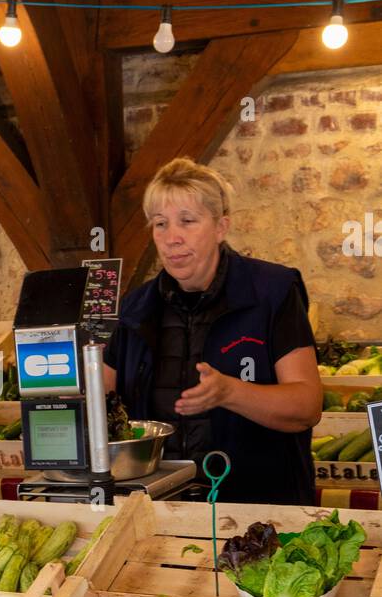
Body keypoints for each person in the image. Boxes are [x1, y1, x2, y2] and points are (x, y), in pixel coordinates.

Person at [103, 157, 322, 504]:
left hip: (262, 508)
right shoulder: (134, 310)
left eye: (187, 221)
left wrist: (230, 393)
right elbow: (101, 402)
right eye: (160, 224)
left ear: (221, 227)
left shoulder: (272, 291)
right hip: (158, 509)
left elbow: (307, 407)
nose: (171, 238)